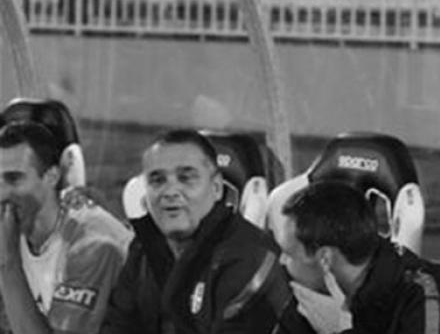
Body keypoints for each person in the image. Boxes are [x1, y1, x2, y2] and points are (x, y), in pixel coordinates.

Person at [100, 129, 305, 334]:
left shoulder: (252, 255)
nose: (170, 192)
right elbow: (116, 326)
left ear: (216, 188)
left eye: (186, 178)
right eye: (158, 180)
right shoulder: (142, 250)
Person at [281, 181, 440, 334]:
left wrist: (341, 330)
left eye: (289, 254)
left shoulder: (426, 302)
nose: (282, 261)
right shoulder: (314, 298)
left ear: (325, 258)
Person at [0, 121, 133, 334]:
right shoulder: (17, 226)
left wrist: (7, 262)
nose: (2, 193)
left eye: (14, 179)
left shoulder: (92, 245)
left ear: (52, 177)